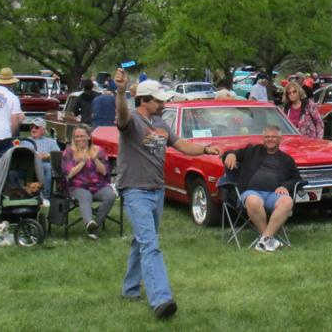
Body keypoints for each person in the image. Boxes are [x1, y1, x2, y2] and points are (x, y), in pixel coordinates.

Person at [114, 67, 220, 320]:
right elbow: (122, 115)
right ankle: (161, 299)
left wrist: (205, 149)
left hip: (157, 190)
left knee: (142, 241)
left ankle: (130, 289)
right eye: (159, 101)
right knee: (150, 244)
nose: (163, 104)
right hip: (135, 190)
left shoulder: (161, 123)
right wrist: (120, 91)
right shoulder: (132, 121)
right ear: (144, 100)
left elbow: (181, 145)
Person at [221, 125, 302, 252]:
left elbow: (297, 179)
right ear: (263, 139)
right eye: (267, 137)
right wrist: (230, 154)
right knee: (253, 201)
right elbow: (231, 152)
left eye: (273, 137)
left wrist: (285, 186)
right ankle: (267, 239)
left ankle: (264, 240)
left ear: (280, 139)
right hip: (251, 192)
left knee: (287, 201)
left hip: (274, 194)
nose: (270, 139)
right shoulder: (252, 151)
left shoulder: (287, 160)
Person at [62, 125, 117, 239]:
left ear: (88, 137)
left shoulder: (98, 150)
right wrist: (83, 161)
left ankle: (95, 226)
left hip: (98, 186)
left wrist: (95, 158)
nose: (79, 139)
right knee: (86, 195)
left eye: (82, 136)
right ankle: (88, 223)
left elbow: (104, 172)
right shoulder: (69, 152)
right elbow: (69, 174)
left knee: (111, 195)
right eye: (76, 136)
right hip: (77, 186)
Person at [27, 118, 60, 201]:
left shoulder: (51, 142)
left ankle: (46, 197)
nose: (33, 129)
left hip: (44, 165)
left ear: (43, 130)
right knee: (12, 172)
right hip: (29, 165)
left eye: (36, 127)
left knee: (48, 166)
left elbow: (58, 157)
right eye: (31, 127)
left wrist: (48, 156)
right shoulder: (26, 141)